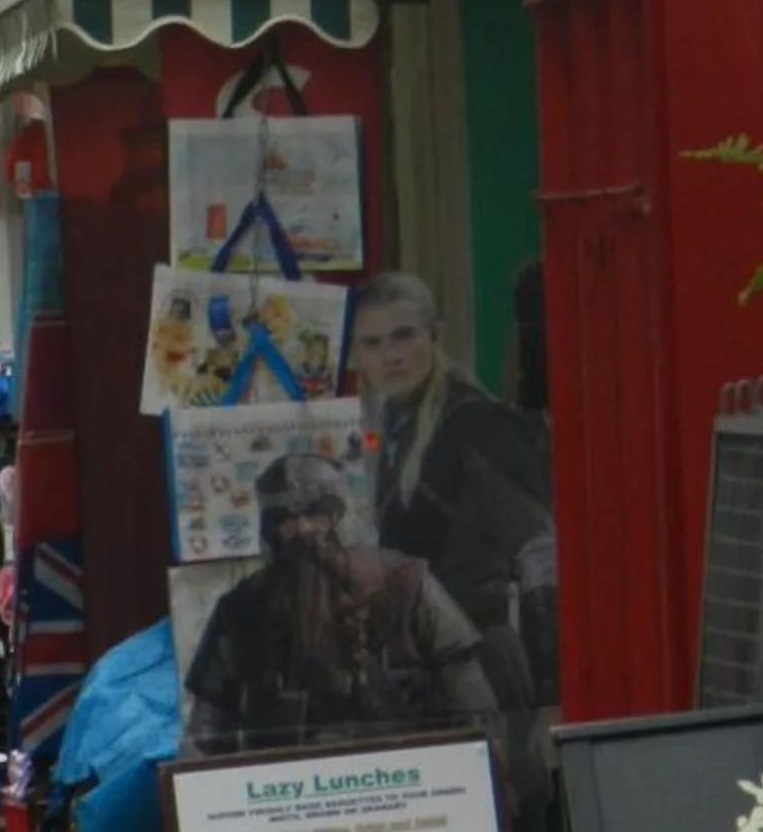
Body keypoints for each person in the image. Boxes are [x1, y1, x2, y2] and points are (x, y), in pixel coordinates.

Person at [184, 454, 499, 756]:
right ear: (270, 529)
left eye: (316, 512)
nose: (303, 528)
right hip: (289, 794)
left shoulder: (411, 587)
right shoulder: (242, 609)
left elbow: (478, 721)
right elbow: (204, 740)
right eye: (285, 518)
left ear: (342, 517)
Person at [351, 271, 558, 704]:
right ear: (357, 355)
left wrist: (551, 684)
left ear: (434, 335)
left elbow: (539, 549)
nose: (390, 355)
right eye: (372, 343)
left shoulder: (479, 423)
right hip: (418, 663)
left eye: (403, 336)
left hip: (483, 659)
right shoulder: (383, 429)